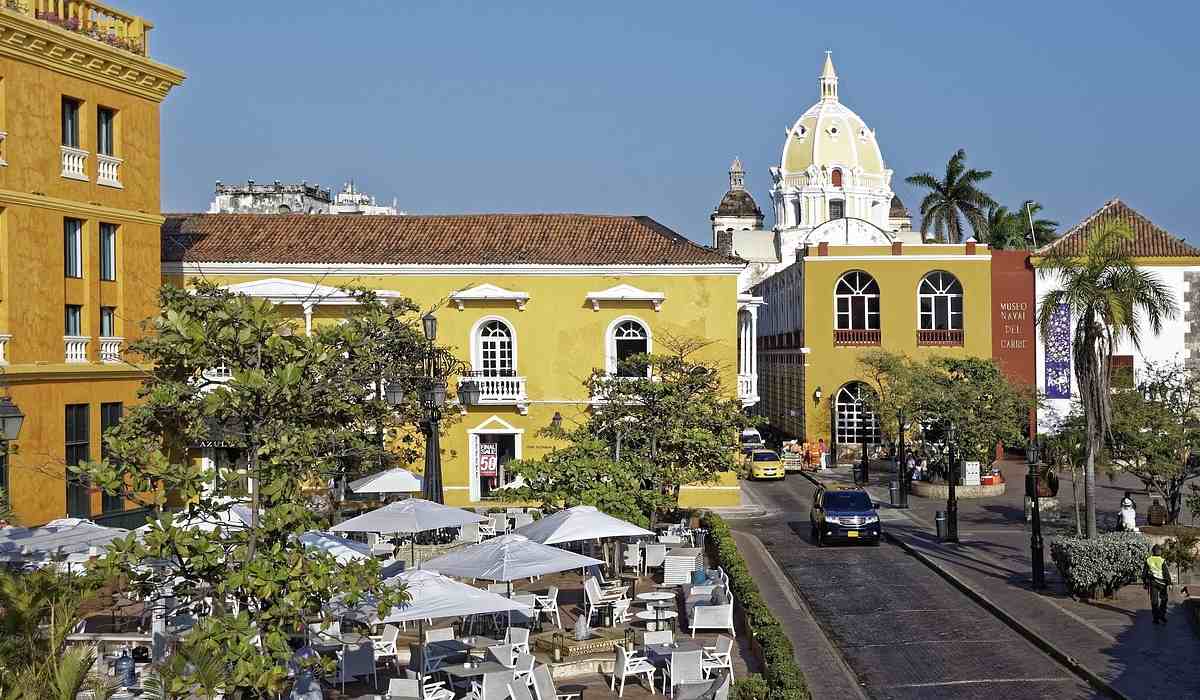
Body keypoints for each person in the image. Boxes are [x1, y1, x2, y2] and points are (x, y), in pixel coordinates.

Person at [1143, 544, 1172, 625]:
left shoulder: (1148, 560)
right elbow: (1166, 573)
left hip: (1152, 583)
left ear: (1153, 551)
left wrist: (1145, 583)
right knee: (1164, 599)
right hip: (1162, 583)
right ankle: (1162, 615)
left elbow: (1144, 573)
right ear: (1159, 551)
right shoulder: (1162, 560)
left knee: (1154, 601)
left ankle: (1156, 619)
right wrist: (1169, 583)